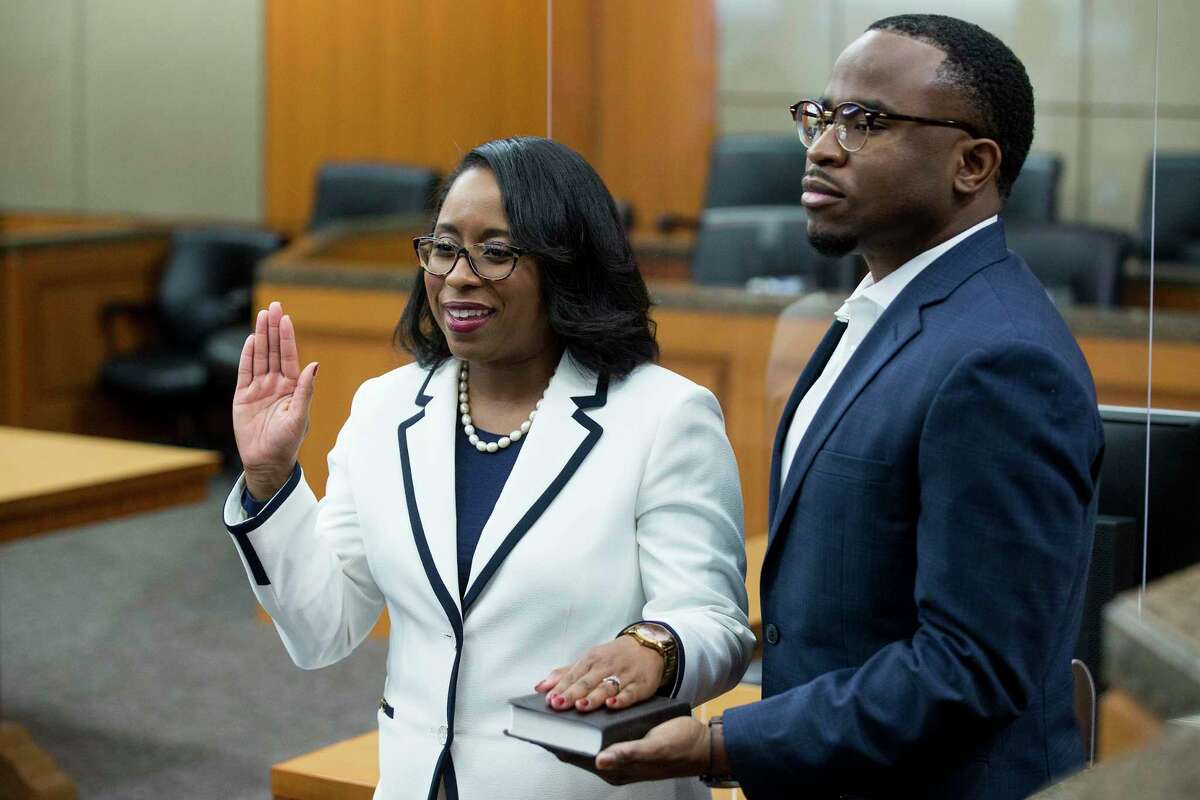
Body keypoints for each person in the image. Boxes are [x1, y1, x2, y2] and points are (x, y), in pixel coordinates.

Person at [590, 14, 1104, 799]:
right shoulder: (883, 310)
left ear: (972, 163)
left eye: (866, 122)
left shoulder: (1002, 360)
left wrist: (724, 743)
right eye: (820, 116)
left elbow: (970, 669)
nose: (824, 147)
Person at [221, 136, 753, 800]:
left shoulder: (664, 416)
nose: (458, 275)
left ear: (567, 263)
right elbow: (321, 629)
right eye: (443, 247)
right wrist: (270, 479)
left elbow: (715, 623)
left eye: (496, 252)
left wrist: (655, 647)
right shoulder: (385, 408)